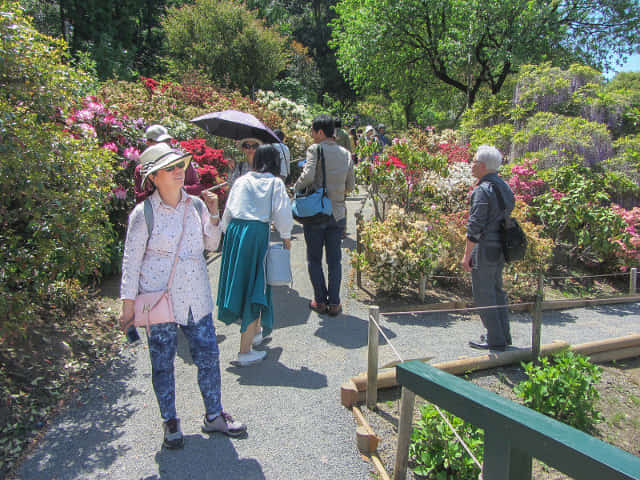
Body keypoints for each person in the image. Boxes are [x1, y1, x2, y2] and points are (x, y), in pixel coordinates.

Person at [119, 142, 246, 450]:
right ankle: (170, 421)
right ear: (154, 177)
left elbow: (212, 245)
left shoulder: (197, 206)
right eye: (171, 168)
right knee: (162, 362)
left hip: (196, 296)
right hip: (159, 298)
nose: (180, 171)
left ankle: (214, 415)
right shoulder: (144, 213)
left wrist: (215, 215)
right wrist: (127, 307)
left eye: (181, 166)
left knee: (209, 356)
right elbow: (131, 260)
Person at [217, 144, 293, 366]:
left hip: (235, 233)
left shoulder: (241, 180)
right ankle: (245, 351)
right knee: (256, 287)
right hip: (255, 234)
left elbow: (229, 212)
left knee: (243, 284)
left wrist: (226, 234)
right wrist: (286, 238)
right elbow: (282, 213)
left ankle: (256, 332)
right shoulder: (275, 183)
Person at [294, 114, 355, 316]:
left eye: (312, 131)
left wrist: (297, 187)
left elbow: (309, 175)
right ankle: (335, 303)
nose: (311, 135)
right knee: (335, 260)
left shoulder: (315, 149)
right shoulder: (346, 154)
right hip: (337, 213)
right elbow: (350, 186)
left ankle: (320, 301)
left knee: (314, 258)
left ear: (320, 132)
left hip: (316, 212)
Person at [461, 145, 515, 350]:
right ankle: (503, 335)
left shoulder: (483, 190)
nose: (472, 165)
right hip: (502, 246)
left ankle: (494, 339)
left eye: (474, 161)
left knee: (484, 294)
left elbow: (475, 226)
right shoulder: (504, 186)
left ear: (482, 166)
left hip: (485, 247)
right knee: (497, 290)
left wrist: (467, 256)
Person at [134, 125, 204, 203]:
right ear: (148, 143)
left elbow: (197, 188)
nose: (165, 144)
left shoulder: (180, 162)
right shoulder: (142, 169)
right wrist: (157, 191)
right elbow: (139, 198)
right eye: (159, 142)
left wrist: (179, 189)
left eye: (167, 141)